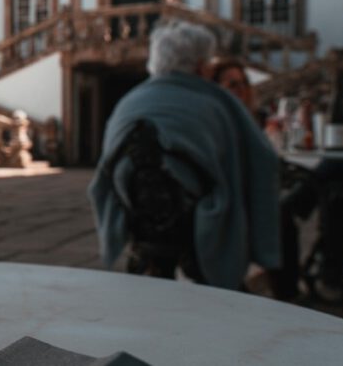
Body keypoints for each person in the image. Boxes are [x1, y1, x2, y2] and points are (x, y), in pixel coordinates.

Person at [88, 20, 282, 290]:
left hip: (131, 209)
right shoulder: (218, 101)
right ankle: (277, 279)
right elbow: (263, 161)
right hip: (198, 216)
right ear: (201, 67)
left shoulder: (128, 102)